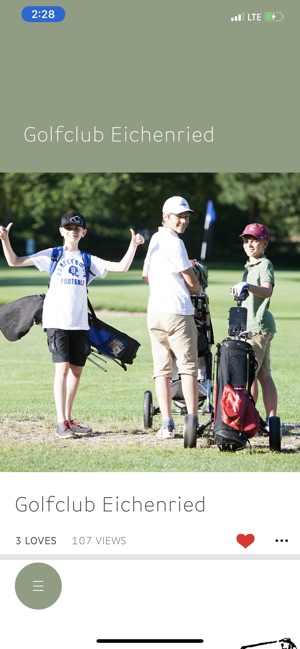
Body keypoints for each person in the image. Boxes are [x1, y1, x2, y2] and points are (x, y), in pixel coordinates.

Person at [0, 212, 144, 438]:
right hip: (56, 321)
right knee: (62, 368)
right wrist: (5, 240)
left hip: (79, 324)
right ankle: (60, 423)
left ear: (83, 233)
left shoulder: (87, 259)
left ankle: (68, 419)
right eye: (68, 228)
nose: (72, 231)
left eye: (77, 229)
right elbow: (14, 261)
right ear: (61, 231)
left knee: (76, 371)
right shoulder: (53, 255)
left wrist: (133, 245)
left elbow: (122, 267)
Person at [142, 196, 200, 438]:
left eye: (186, 217)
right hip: (177, 311)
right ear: (166, 217)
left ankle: (167, 424)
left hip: (155, 312)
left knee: (162, 370)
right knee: (187, 369)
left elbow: (145, 275)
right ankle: (192, 423)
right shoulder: (176, 243)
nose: (183, 221)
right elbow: (191, 282)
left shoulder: (155, 239)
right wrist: (196, 287)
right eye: (179, 216)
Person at [230, 222, 277, 424]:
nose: (250, 244)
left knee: (249, 375)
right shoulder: (249, 267)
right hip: (252, 328)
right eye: (247, 240)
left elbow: (267, 290)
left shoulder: (264, 264)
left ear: (264, 243)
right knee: (263, 376)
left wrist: (247, 286)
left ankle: (250, 419)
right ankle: (270, 420)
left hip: (257, 328)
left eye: (255, 240)